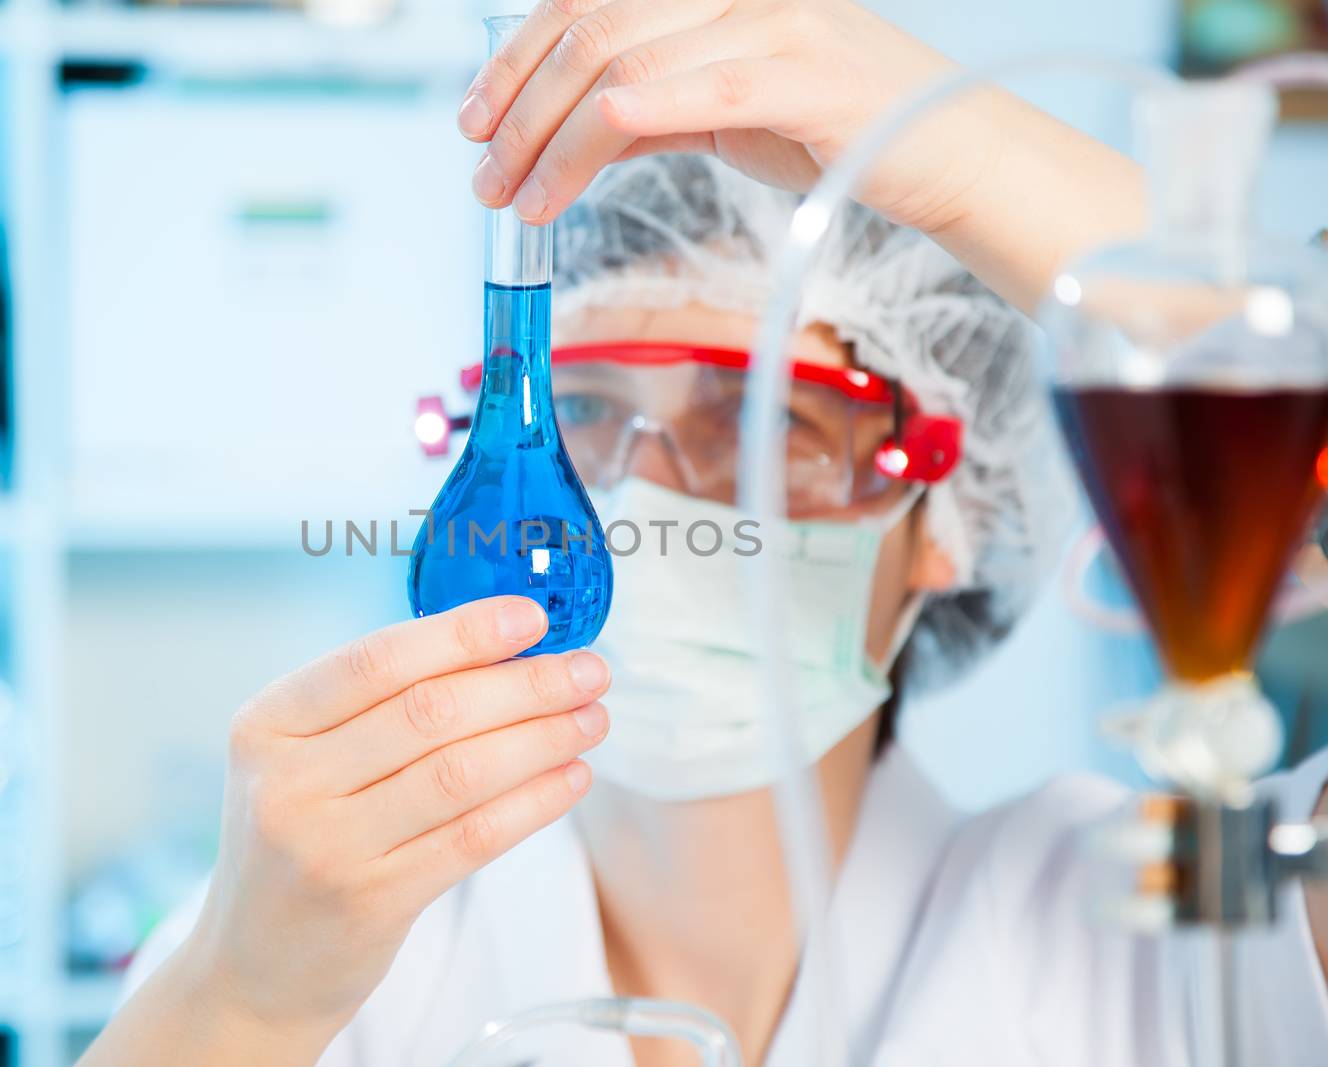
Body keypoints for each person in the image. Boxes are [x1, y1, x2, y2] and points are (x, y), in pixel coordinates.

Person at [82, 4, 1328, 1065]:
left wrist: (952, 148)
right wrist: (239, 1000)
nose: (649, 506)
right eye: (585, 416)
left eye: (766, 418)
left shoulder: (1153, 925)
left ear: (949, 510)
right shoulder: (329, 946)